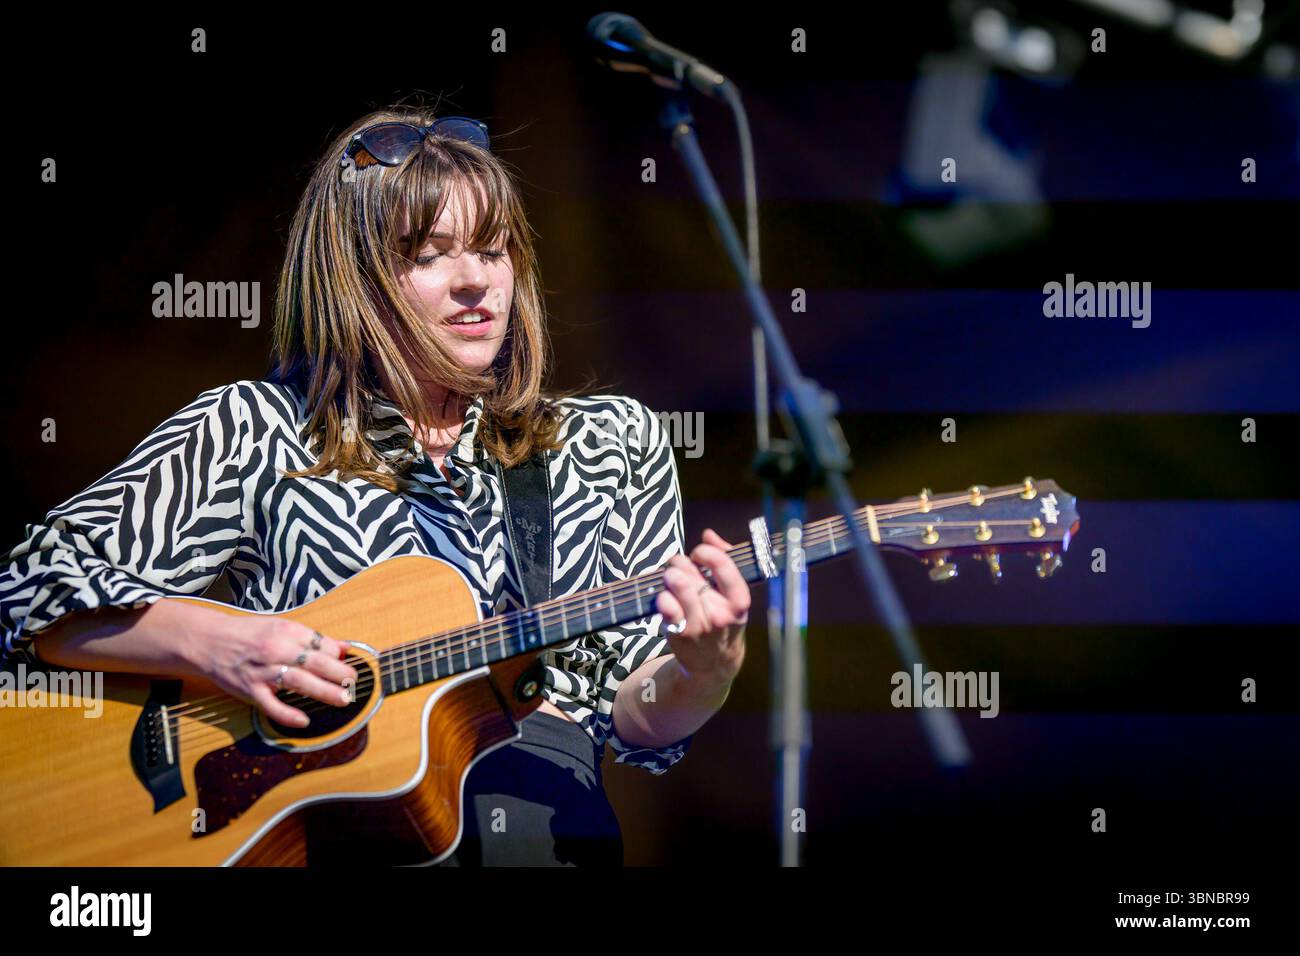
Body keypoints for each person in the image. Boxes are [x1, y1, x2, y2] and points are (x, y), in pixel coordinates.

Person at [0, 107, 750, 866]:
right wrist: (228, 646)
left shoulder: (610, 442)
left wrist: (704, 671)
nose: (475, 282)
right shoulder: (259, 427)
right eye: (430, 254)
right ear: (352, 278)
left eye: (493, 250)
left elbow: (636, 720)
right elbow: (32, 591)